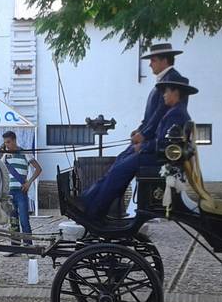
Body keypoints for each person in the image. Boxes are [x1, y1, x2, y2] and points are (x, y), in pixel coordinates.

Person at [80, 72, 197, 220]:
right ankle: (91, 199)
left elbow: (163, 142)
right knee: (119, 164)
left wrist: (142, 147)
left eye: (166, 91)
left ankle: (96, 209)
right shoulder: (176, 112)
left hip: (158, 159)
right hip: (157, 155)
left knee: (119, 171)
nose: (164, 95)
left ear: (176, 93)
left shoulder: (176, 114)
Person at [117, 42, 184, 162]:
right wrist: (140, 130)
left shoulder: (172, 80)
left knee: (123, 162)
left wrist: (144, 135)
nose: (149, 65)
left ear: (164, 61)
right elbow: (151, 116)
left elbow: (160, 113)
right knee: (121, 158)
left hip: (156, 142)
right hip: (149, 138)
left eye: (153, 60)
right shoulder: (164, 80)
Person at [0, 130, 42, 249]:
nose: (7, 145)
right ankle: (15, 247)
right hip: (9, 193)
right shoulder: (5, 156)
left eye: (8, 142)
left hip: (20, 192)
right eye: (5, 143)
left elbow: (38, 169)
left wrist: (29, 182)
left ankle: (28, 247)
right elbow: (1, 171)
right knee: (13, 221)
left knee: (24, 220)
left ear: (14, 140)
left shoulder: (25, 153)